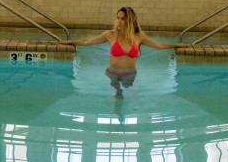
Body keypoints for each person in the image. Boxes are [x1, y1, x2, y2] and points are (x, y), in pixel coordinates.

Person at [61, 7, 189, 98]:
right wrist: (69, 42)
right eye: (118, 18)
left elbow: (158, 45)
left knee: (131, 92)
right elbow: (88, 41)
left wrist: (176, 45)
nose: (119, 21)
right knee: (117, 94)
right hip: (113, 74)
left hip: (130, 74)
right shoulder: (110, 35)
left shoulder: (139, 36)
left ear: (130, 20)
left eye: (123, 18)